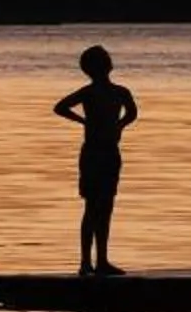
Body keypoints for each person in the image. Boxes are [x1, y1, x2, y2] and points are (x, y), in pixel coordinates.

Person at [52, 45, 138, 276]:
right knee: (92, 207)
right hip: (93, 153)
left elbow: (132, 113)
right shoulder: (88, 93)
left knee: (106, 205)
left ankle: (101, 260)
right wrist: (83, 121)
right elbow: (59, 107)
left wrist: (119, 124)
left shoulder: (121, 92)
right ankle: (85, 262)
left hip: (110, 152)